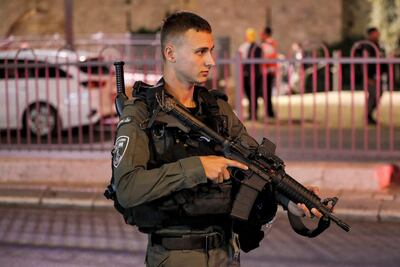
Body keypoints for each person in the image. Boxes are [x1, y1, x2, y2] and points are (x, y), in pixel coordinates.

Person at [112, 12, 321, 267]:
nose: (210, 61)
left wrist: (292, 199)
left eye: (210, 51)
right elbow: (126, 188)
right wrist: (198, 168)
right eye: (200, 52)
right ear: (170, 53)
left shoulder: (217, 109)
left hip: (227, 253)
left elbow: (255, 165)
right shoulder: (142, 114)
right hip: (177, 256)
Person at [356, 27, 387, 125]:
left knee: (377, 94)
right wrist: (366, 77)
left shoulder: (377, 45)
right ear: (371, 34)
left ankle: (369, 115)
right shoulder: (368, 46)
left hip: (375, 75)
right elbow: (364, 63)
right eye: (376, 33)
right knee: (374, 94)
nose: (378, 34)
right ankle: (368, 116)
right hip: (369, 76)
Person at [238, 28, 263, 120]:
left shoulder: (257, 48)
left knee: (254, 95)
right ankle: (251, 113)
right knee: (249, 94)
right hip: (246, 74)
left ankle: (254, 114)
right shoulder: (244, 46)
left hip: (254, 75)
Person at [260, 26, 278, 118]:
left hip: (267, 72)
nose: (261, 35)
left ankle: (269, 112)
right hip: (271, 71)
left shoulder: (266, 45)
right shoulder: (272, 43)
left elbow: (266, 58)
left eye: (262, 34)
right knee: (268, 92)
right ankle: (269, 111)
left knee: (266, 93)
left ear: (266, 34)